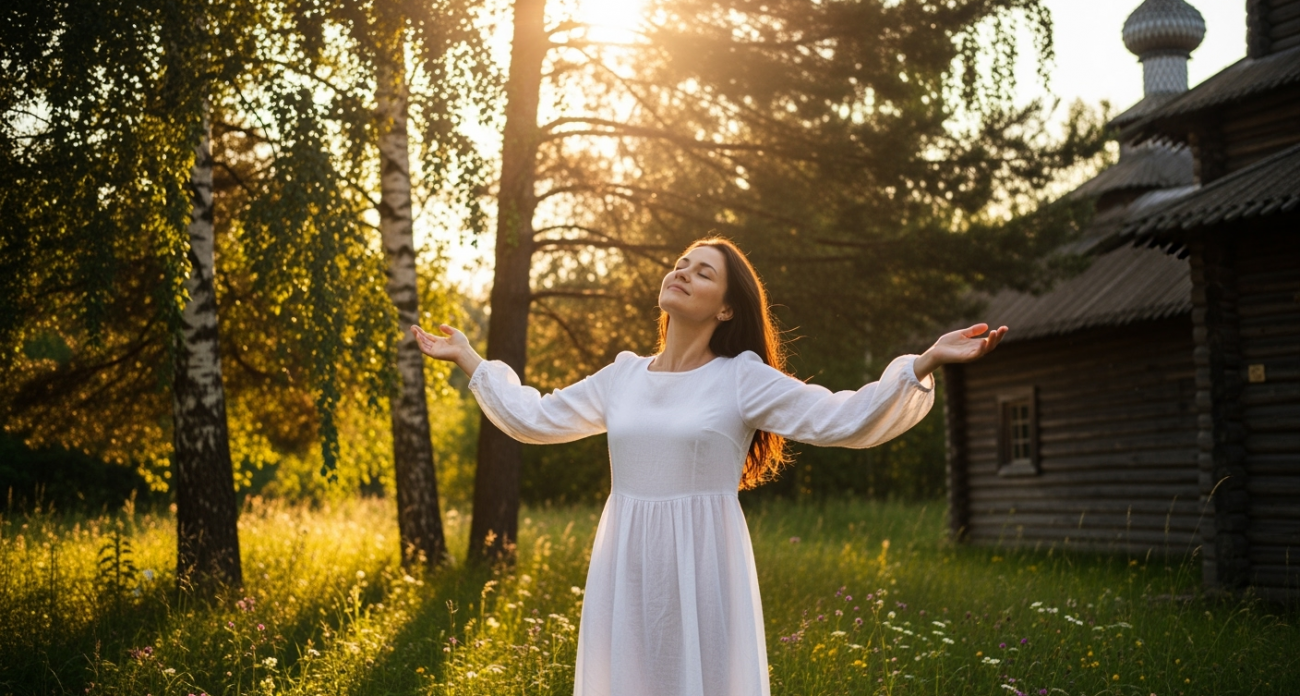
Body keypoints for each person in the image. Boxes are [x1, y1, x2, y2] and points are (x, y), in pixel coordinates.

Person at [412, 237, 1007, 696]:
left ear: (726, 308)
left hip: (704, 563)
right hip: (626, 562)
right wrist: (470, 358)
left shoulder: (740, 376)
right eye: (680, 263)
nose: (682, 272)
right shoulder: (623, 375)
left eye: (703, 271)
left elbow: (839, 418)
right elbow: (536, 419)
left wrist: (923, 362)